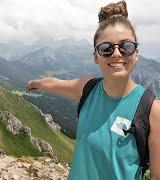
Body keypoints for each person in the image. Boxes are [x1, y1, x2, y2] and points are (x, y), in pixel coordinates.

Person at [26, 1, 160, 179]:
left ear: (136, 53)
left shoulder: (152, 110)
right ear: (95, 56)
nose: (117, 54)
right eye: (106, 48)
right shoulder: (88, 88)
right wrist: (35, 83)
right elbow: (55, 83)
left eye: (126, 46)